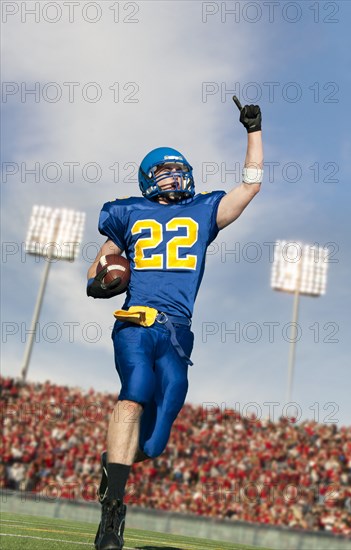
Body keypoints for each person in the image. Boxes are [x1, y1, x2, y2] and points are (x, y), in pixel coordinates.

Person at [87, 100, 263, 550]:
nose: (174, 177)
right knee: (134, 393)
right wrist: (103, 280)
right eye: (164, 172)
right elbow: (97, 269)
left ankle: (113, 469)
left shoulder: (204, 211)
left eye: (178, 170)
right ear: (148, 180)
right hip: (136, 322)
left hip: (178, 332)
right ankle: (113, 516)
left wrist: (254, 132)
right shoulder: (127, 212)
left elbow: (249, 187)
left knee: (157, 438)